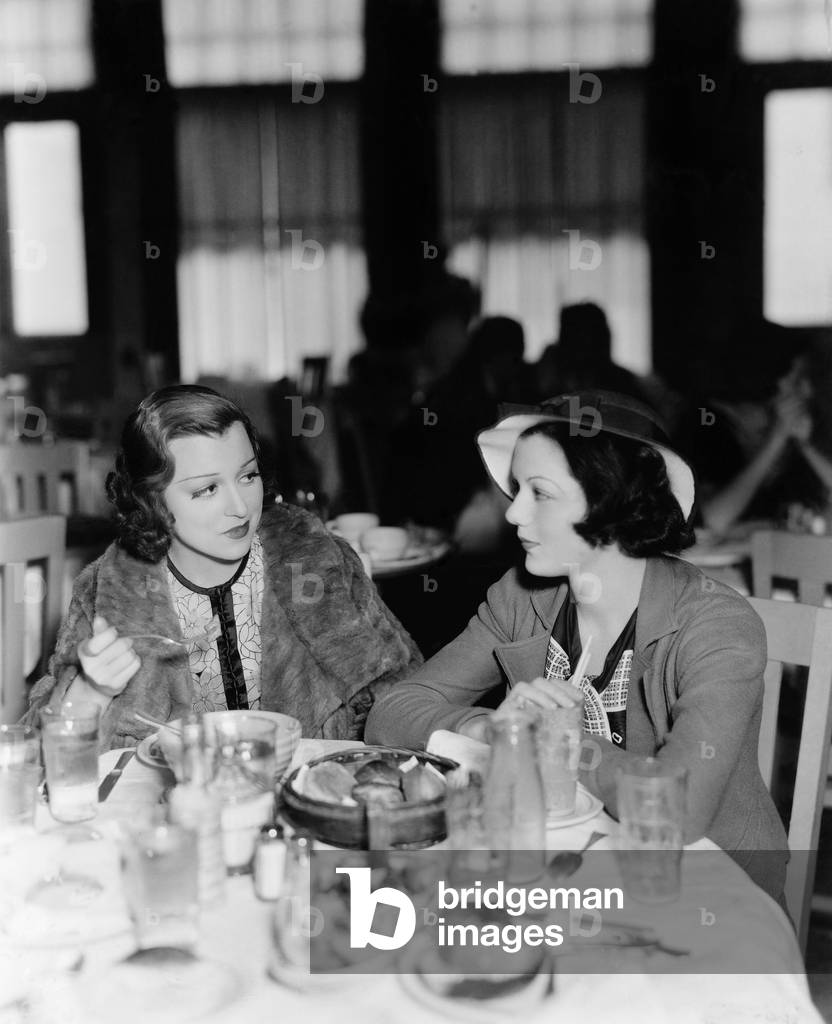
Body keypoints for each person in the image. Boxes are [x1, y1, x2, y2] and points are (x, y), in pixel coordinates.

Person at [366, 390, 788, 902]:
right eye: (517, 490)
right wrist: (487, 727)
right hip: (568, 869)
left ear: (611, 497)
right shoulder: (520, 598)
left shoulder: (716, 624)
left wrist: (554, 742)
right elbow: (390, 713)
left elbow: (676, 808)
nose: (513, 513)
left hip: (712, 893)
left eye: (539, 493)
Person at [24, 385, 422, 749]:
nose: (240, 507)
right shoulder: (107, 593)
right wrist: (90, 692)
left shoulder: (319, 560)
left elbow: (405, 696)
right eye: (207, 489)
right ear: (152, 501)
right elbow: (45, 757)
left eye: (247, 476)